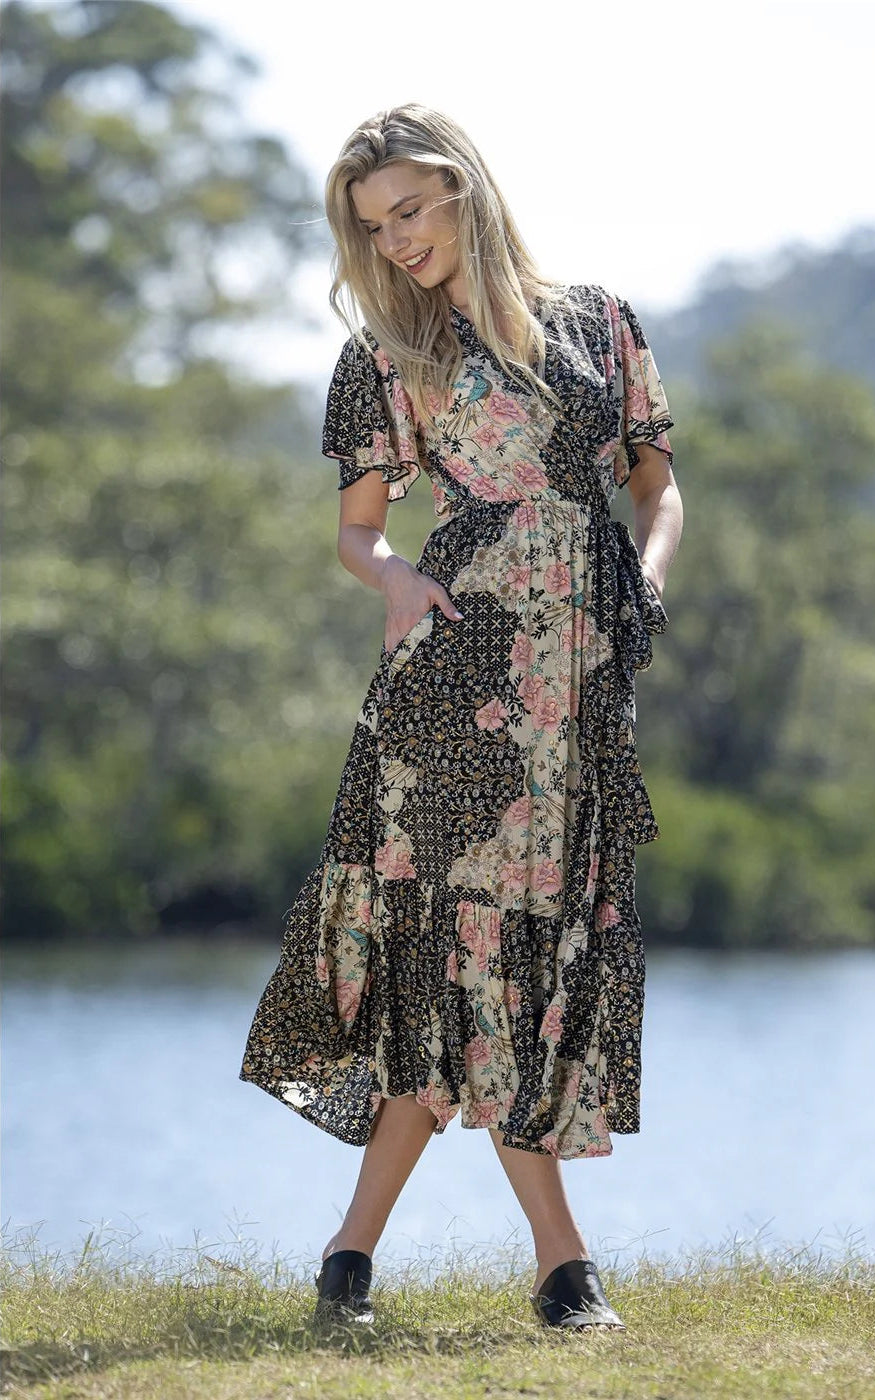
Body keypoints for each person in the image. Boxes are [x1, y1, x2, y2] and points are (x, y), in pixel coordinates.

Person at [240, 102, 684, 1332]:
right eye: (373, 228)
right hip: (453, 682)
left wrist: (646, 580)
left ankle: (348, 1258)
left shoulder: (599, 321)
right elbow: (358, 531)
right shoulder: (387, 354)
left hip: (580, 680)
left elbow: (657, 483)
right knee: (467, 957)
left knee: (506, 960)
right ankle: (562, 1266)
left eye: (409, 211)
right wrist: (391, 577)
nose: (395, 242)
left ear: (463, 187)